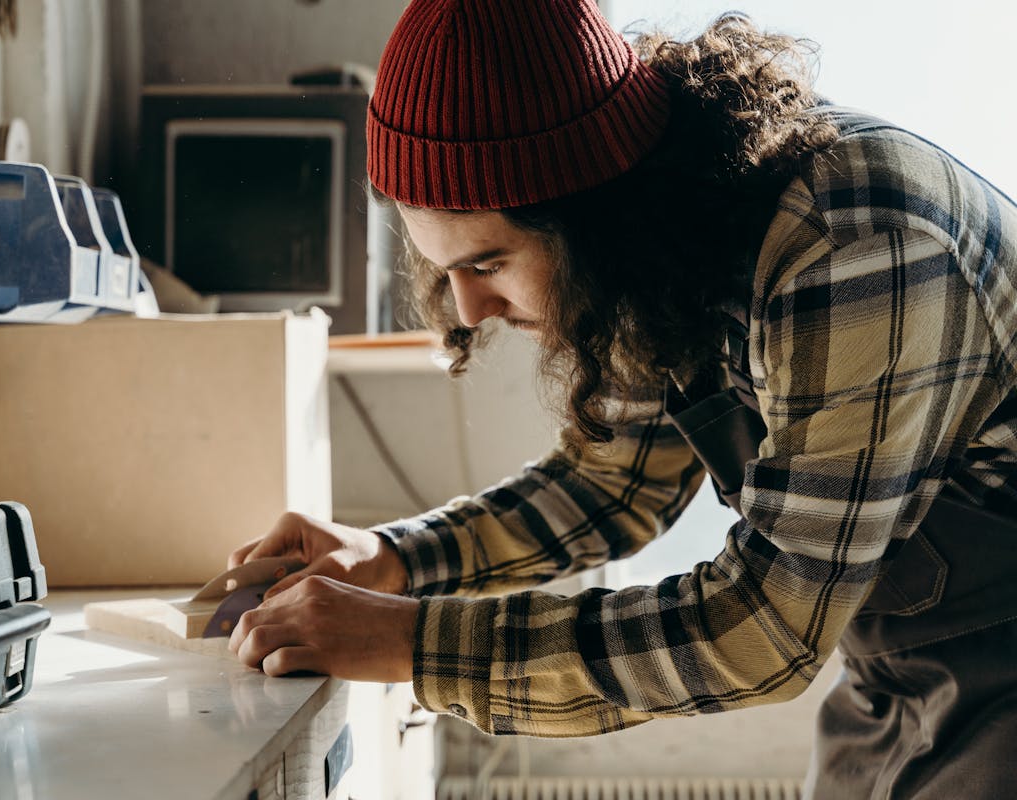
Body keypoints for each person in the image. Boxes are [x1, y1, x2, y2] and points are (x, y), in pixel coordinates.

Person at [226, 1, 1017, 796]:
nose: (468, 312)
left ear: (591, 216)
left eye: (490, 263)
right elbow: (613, 484)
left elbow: (764, 631)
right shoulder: (662, 241)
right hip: (895, 671)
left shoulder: (854, 251)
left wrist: (417, 645)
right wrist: (394, 559)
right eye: (447, 271)